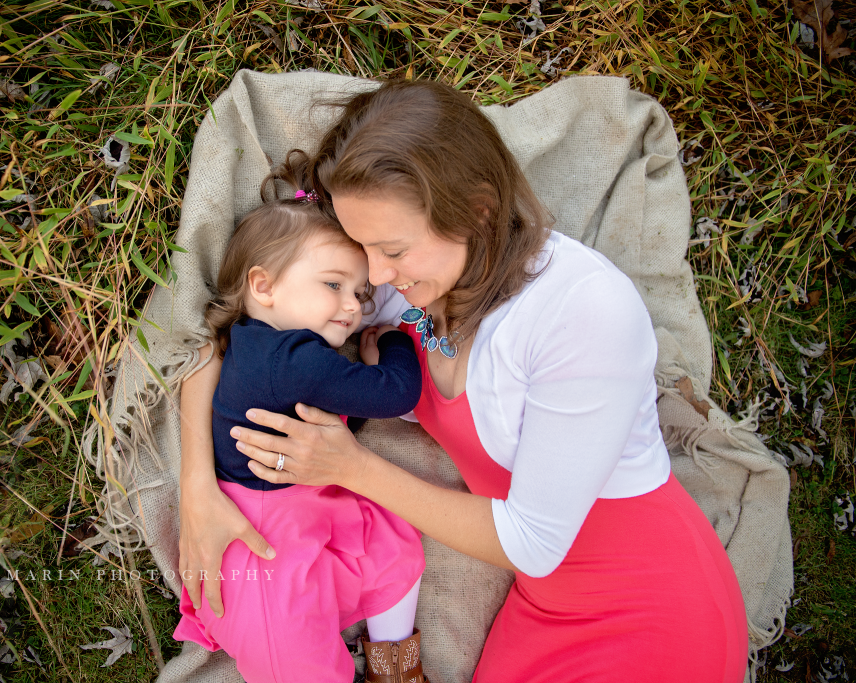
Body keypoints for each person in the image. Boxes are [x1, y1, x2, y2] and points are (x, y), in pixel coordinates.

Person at [179, 79, 750, 683]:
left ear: (476, 209)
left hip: (649, 612)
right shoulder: (406, 288)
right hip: (541, 606)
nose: (375, 275)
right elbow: (225, 344)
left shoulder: (583, 312)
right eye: (365, 249)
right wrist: (197, 487)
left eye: (391, 248)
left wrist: (351, 468)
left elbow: (532, 542)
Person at [173, 159, 430, 683]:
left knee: (392, 548)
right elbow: (396, 392)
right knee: (294, 655)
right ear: (263, 287)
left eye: (360, 295)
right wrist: (398, 341)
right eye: (334, 285)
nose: (355, 308)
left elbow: (334, 411)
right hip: (260, 535)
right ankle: (393, 664)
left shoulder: (256, 343)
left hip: (305, 505)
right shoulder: (296, 359)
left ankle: (394, 667)